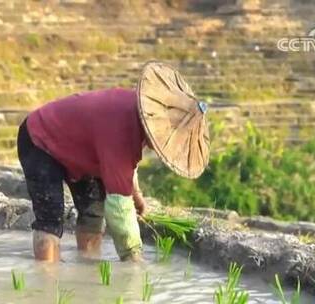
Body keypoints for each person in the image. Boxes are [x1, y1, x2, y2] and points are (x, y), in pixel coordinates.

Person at [16, 62, 210, 262]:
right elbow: (119, 208)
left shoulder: (140, 114)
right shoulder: (120, 128)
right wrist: (133, 259)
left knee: (93, 215)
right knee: (51, 219)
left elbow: (125, 167)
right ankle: (47, 284)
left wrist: (137, 197)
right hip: (40, 139)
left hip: (83, 150)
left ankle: (87, 268)